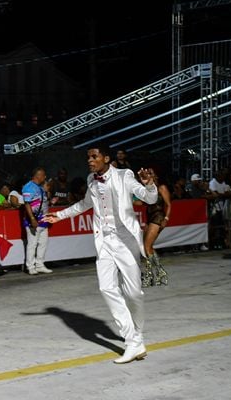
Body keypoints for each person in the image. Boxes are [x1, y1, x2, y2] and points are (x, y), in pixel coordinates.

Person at [43, 144, 158, 364]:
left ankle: (137, 336)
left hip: (125, 241)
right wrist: (60, 216)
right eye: (88, 157)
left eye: (94, 157)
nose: (90, 160)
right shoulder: (90, 179)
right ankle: (132, 340)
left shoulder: (125, 175)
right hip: (104, 241)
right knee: (106, 288)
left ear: (106, 158)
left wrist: (149, 185)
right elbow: (85, 204)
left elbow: (149, 198)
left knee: (133, 294)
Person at [135, 172, 171, 287]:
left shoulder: (161, 188)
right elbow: (142, 203)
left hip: (158, 217)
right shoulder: (147, 191)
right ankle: (160, 273)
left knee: (146, 246)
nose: (148, 175)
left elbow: (169, 204)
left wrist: (166, 218)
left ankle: (149, 276)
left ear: (155, 176)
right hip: (150, 218)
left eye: (150, 173)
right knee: (148, 247)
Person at [22, 167, 53, 275]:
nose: (45, 177)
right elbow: (27, 204)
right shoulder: (28, 187)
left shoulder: (40, 187)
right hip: (34, 220)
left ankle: (40, 265)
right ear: (38, 175)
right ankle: (30, 266)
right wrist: (32, 219)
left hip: (43, 219)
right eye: (43, 175)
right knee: (32, 244)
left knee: (43, 243)